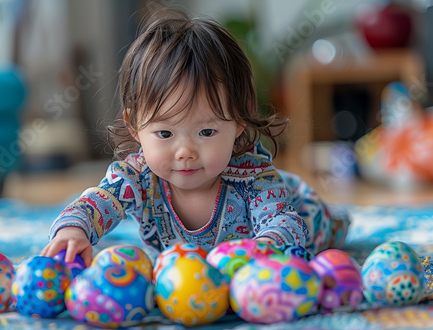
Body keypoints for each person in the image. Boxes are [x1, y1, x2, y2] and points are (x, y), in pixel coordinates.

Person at [40, 9, 350, 266]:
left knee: (320, 234)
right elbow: (98, 201)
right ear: (135, 126)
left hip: (298, 204)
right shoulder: (135, 176)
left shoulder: (255, 180)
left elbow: (283, 222)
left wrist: (266, 247)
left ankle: (340, 219)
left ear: (239, 123)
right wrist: (73, 228)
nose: (185, 151)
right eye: (164, 133)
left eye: (206, 132)